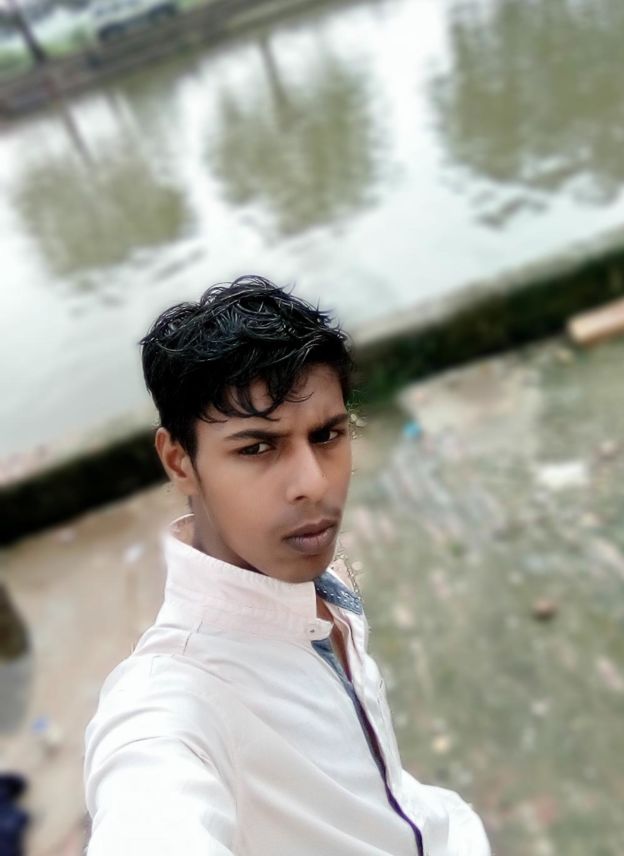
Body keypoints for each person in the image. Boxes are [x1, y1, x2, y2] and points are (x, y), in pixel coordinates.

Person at [83, 275, 491, 856]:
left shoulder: (323, 585)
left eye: (327, 435)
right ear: (179, 461)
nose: (313, 483)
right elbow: (149, 804)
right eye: (256, 448)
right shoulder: (172, 701)